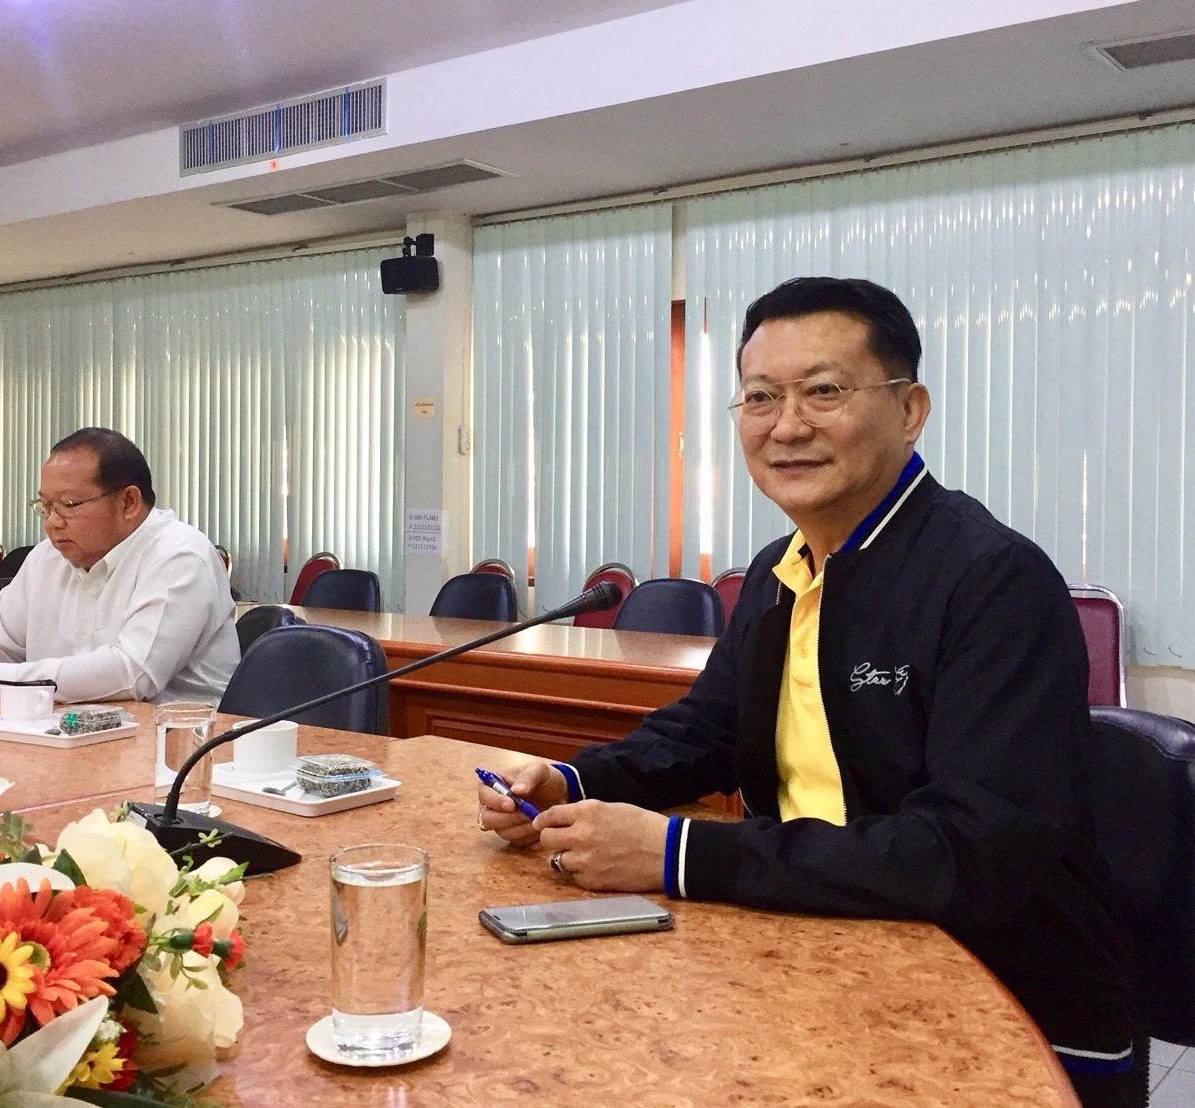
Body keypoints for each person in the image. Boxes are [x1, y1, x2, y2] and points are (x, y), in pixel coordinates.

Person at [477, 277, 1140, 1107]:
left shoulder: (993, 580)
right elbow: (705, 731)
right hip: (819, 951)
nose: (786, 426)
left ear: (910, 409)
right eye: (760, 397)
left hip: (1007, 1002)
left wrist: (678, 854)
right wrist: (571, 781)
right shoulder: (779, 570)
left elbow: (967, 854)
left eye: (823, 391)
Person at [0, 427, 238, 704]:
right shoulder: (46, 558)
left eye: (69, 505)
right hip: (61, 738)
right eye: (45, 506)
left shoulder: (180, 556)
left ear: (129, 502)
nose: (52, 522)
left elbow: (133, 674)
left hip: (175, 749)